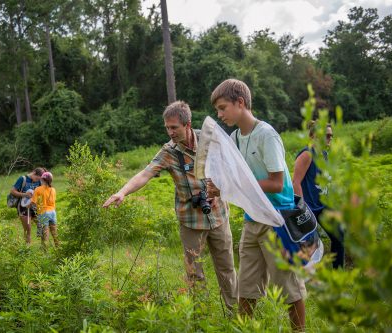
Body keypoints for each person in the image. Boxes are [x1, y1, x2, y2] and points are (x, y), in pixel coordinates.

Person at [103, 101, 239, 311]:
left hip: (219, 214)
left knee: (227, 269)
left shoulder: (210, 139)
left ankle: (235, 316)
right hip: (191, 221)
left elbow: (231, 166)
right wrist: (122, 192)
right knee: (195, 274)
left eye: (174, 127)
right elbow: (145, 173)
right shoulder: (169, 151)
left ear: (187, 124)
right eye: (167, 127)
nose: (170, 132)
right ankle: (201, 319)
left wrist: (219, 189)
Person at [209, 79, 306, 331]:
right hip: (252, 220)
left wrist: (232, 188)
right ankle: (244, 328)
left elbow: (276, 183)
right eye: (217, 110)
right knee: (247, 286)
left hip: (277, 220)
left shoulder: (266, 134)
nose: (219, 115)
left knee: (289, 287)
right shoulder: (234, 138)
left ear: (240, 103)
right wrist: (220, 185)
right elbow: (236, 178)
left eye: (222, 108)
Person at [293, 121, 344, 269]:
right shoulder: (307, 154)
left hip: (322, 206)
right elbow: (295, 182)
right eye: (327, 136)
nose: (330, 139)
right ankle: (304, 279)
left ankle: (338, 276)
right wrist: (302, 209)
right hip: (308, 208)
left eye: (331, 136)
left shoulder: (324, 154)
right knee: (309, 246)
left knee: (339, 236)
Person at [10, 167, 45, 244]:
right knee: (28, 229)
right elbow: (12, 191)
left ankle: (44, 249)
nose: (36, 181)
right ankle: (27, 249)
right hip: (23, 208)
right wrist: (24, 194)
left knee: (42, 227)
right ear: (33, 173)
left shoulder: (39, 181)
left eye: (38, 179)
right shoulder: (22, 179)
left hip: (35, 207)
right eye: (36, 178)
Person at [31, 171, 59, 249]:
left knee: (44, 236)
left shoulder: (38, 189)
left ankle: (44, 253)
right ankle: (58, 249)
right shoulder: (53, 189)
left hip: (43, 213)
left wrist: (34, 213)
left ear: (42, 180)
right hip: (53, 212)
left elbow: (33, 203)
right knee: (55, 234)